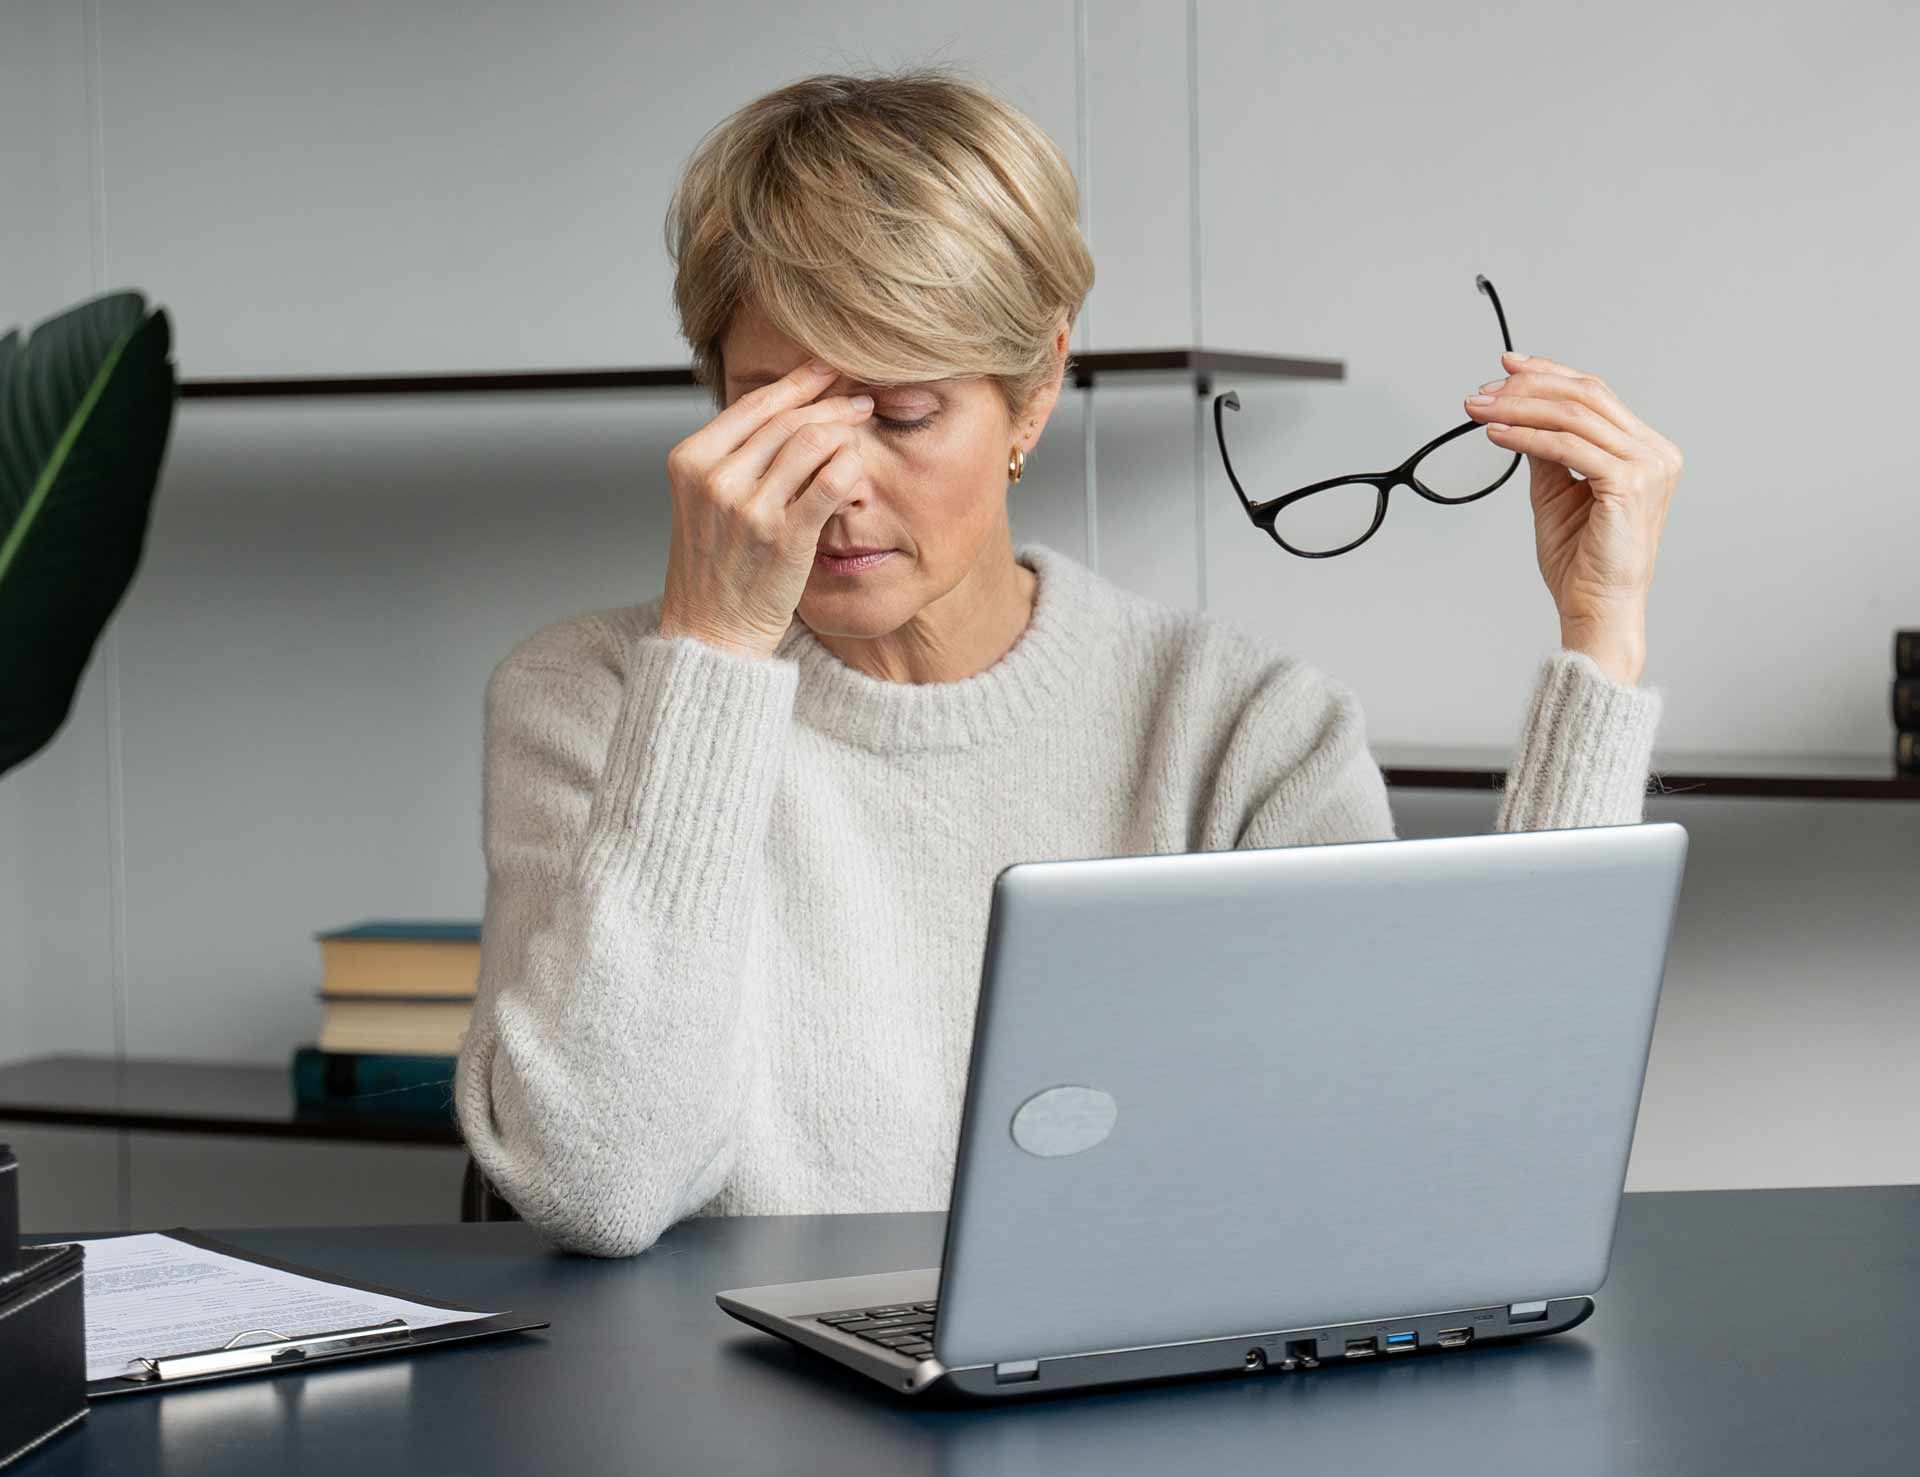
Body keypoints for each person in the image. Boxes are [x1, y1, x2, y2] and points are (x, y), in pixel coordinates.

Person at [453, 67, 1682, 1257]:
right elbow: (600, 1184)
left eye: (902, 413)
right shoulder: (594, 697)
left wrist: (1602, 635)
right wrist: (713, 656)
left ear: (1035, 392)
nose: (834, 481)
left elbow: (1455, 1168)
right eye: (775, 406)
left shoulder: (1242, 725)